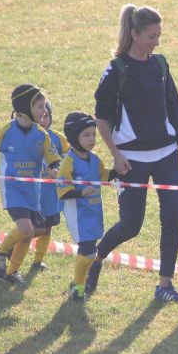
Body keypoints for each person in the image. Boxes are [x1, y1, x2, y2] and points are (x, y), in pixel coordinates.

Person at [90, 4, 178, 303]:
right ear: (134, 34)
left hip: (165, 156)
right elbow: (101, 119)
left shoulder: (161, 65)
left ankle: (165, 285)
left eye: (159, 35)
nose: (156, 42)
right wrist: (116, 155)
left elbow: (173, 106)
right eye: (151, 36)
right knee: (131, 225)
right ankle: (95, 260)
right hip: (131, 160)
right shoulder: (116, 70)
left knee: (172, 218)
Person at [0, 84, 62, 286]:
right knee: (25, 228)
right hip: (13, 191)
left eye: (45, 106)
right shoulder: (7, 131)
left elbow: (55, 158)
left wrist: (55, 168)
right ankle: (0, 251)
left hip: (33, 193)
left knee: (28, 234)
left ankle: (12, 272)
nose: (45, 111)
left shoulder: (42, 135)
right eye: (40, 106)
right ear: (25, 108)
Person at [57, 112, 116, 301]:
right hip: (78, 215)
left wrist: (117, 172)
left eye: (94, 135)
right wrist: (81, 192)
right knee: (89, 253)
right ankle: (78, 287)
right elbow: (62, 190)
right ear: (75, 137)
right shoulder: (69, 162)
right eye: (86, 135)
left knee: (88, 253)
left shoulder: (95, 159)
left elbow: (103, 175)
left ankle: (78, 283)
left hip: (94, 213)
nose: (92, 139)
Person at [31, 101, 70, 271]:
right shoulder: (29, 137)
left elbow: (69, 160)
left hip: (51, 194)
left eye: (46, 116)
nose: (43, 119)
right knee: (35, 229)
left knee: (47, 228)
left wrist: (59, 170)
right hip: (33, 192)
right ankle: (8, 249)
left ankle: (38, 261)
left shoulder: (58, 138)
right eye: (40, 115)